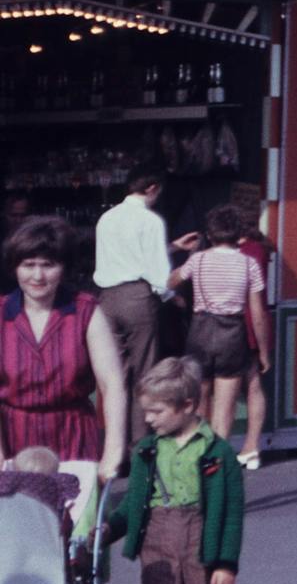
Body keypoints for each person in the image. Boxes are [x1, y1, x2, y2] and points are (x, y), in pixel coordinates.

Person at [107, 357, 245, 584]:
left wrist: (226, 564)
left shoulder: (219, 452)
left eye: (157, 411)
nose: (148, 419)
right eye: (145, 411)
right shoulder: (147, 450)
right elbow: (133, 503)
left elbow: (231, 515)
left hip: (202, 542)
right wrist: (108, 530)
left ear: (188, 405)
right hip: (156, 540)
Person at [1, 217, 127, 477]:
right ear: (15, 267)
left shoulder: (86, 310)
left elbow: (112, 383)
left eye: (48, 265)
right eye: (29, 265)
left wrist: (113, 450)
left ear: (64, 267)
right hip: (13, 438)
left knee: (76, 517)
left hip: (74, 437)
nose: (38, 275)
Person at [95, 166, 197, 445]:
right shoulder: (150, 220)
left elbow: (128, 256)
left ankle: (113, 443)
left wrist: (174, 246)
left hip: (106, 300)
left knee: (115, 376)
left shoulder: (107, 218)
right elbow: (156, 270)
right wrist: (171, 298)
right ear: (152, 188)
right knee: (144, 373)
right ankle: (139, 445)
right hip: (138, 300)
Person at [169, 205, 270, 443]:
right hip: (233, 333)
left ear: (211, 234)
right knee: (225, 407)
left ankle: (196, 450)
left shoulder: (199, 260)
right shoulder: (249, 264)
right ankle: (217, 459)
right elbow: (257, 314)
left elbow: (171, 281)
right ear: (238, 234)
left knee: (198, 399)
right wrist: (264, 352)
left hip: (200, 330)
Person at [234, 196, 275, 471]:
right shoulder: (260, 248)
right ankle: (252, 447)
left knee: (215, 389)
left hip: (234, 322)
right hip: (253, 322)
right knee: (253, 385)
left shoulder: (239, 252)